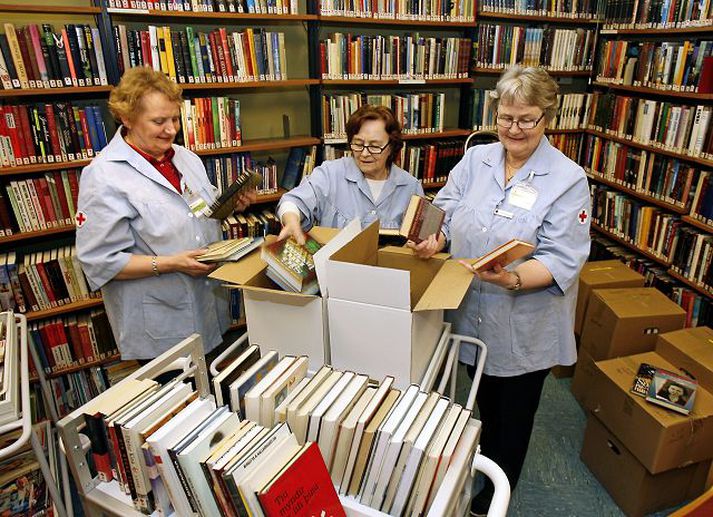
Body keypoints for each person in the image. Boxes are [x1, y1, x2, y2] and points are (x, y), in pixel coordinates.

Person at [411, 65, 591, 514]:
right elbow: (447, 209)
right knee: (481, 404)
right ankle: (482, 465)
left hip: (523, 324)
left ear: (548, 116)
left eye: (526, 119)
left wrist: (511, 277)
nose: (514, 129)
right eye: (505, 117)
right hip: (469, 312)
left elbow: (561, 259)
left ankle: (494, 498)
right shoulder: (477, 159)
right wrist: (436, 236)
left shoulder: (568, 179)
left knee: (512, 420)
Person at [76, 67, 255, 360]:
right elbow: (100, 261)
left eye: (174, 118)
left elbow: (196, 216)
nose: (171, 129)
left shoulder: (186, 158)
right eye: (159, 121)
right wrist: (172, 263)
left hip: (207, 306)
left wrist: (229, 206)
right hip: (159, 323)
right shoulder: (103, 175)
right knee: (179, 400)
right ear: (127, 118)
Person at [277, 104, 423, 242]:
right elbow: (292, 201)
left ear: (391, 147)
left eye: (374, 146)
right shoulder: (330, 174)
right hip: (336, 266)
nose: (365, 154)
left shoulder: (411, 187)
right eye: (358, 144)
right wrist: (291, 220)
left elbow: (421, 240)